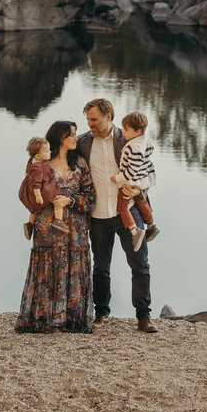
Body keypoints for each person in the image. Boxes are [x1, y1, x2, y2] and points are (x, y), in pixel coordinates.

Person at [77, 98, 157, 333]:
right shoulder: (83, 143)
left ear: (108, 116)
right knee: (101, 266)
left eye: (94, 119)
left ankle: (144, 316)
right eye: (88, 119)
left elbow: (148, 171)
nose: (90, 123)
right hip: (98, 215)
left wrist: (139, 187)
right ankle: (101, 313)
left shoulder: (129, 140)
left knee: (140, 264)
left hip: (129, 211)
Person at [16, 120, 95, 334]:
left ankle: (72, 319)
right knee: (46, 268)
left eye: (75, 134)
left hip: (75, 228)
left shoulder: (79, 163)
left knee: (74, 269)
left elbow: (90, 198)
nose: (75, 138)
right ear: (59, 137)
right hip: (47, 226)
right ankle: (43, 319)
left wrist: (70, 201)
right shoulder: (41, 162)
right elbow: (29, 192)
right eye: (71, 134)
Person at [110, 111, 160, 252]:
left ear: (137, 131)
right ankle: (151, 225)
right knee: (140, 199)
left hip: (130, 182)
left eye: (126, 130)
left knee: (121, 207)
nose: (123, 133)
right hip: (141, 180)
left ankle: (135, 231)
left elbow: (132, 170)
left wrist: (118, 178)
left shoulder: (134, 148)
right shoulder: (144, 141)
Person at [19, 137, 67, 240]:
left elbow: (27, 172)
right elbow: (37, 183)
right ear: (38, 155)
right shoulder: (38, 169)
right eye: (47, 151)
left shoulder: (32, 160)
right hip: (42, 191)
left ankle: (30, 225)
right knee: (57, 200)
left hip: (32, 189)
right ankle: (59, 220)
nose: (49, 152)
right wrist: (38, 196)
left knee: (35, 208)